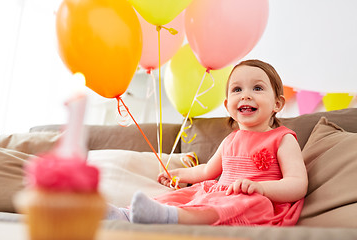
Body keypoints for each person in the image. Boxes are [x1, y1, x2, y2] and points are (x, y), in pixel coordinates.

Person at [107, 59, 308, 226]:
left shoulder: (283, 139)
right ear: (228, 106)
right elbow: (205, 172)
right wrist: (179, 174)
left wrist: (262, 189)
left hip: (256, 200)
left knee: (252, 203)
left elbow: (297, 184)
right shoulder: (230, 141)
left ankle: (170, 218)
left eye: (257, 88)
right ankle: (125, 214)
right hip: (222, 194)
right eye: (237, 89)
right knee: (187, 194)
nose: (246, 95)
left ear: (277, 103)